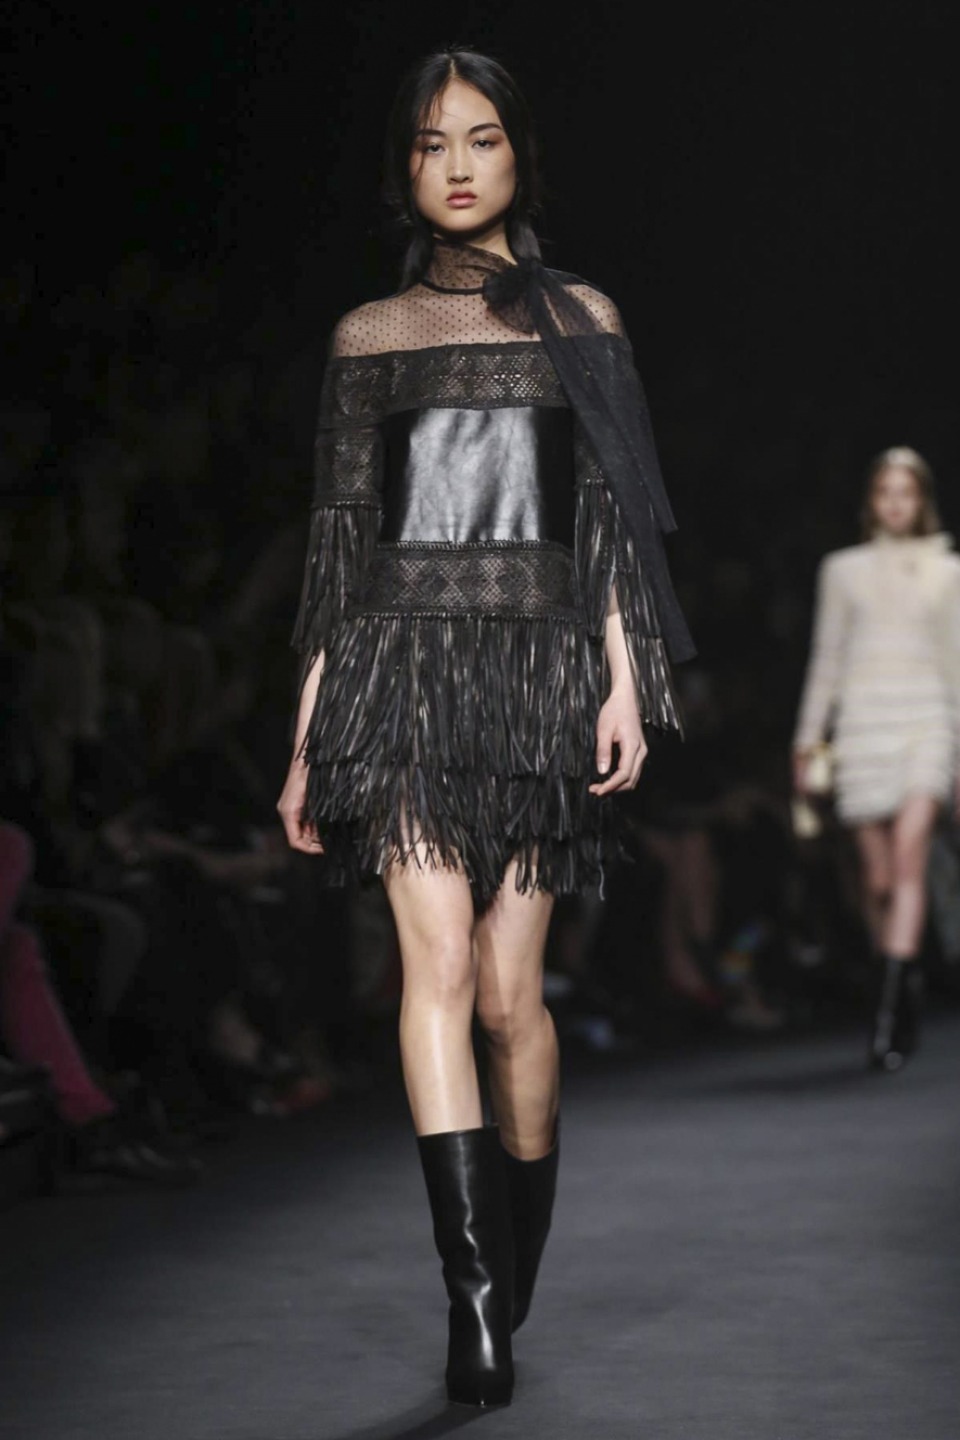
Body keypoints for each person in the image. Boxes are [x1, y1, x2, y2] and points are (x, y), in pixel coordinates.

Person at [277, 49, 692, 1407]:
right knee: (439, 970)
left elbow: (610, 520)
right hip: (397, 676)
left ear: (521, 155)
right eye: (430, 144)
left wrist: (622, 678)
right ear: (403, 168)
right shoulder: (369, 335)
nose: (456, 166)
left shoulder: (582, 318)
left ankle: (512, 1271)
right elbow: (340, 549)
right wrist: (308, 733)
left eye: (482, 139)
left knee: (514, 1002)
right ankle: (471, 1303)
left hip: (538, 677)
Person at [793, 447, 960, 1071]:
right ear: (872, 499)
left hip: (928, 723)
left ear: (921, 500)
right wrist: (807, 742)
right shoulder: (842, 570)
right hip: (862, 724)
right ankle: (905, 976)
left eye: (906, 492)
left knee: (910, 859)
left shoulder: (948, 570)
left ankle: (887, 1018)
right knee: (879, 880)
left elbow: (957, 663)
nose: (895, 503)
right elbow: (826, 658)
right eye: (885, 491)